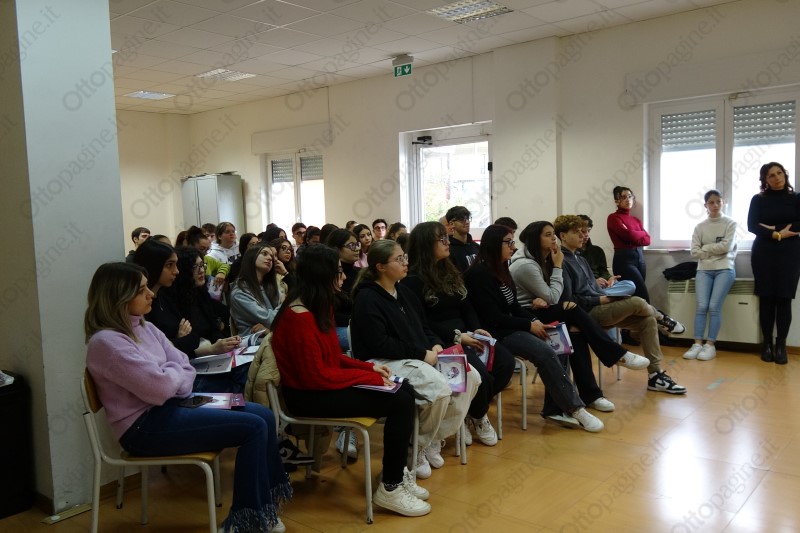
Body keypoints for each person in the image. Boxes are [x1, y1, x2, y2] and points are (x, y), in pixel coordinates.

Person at [85, 262, 291, 532]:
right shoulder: (106, 343)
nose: (151, 294)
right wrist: (171, 376)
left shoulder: (145, 327)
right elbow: (160, 387)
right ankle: (246, 520)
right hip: (143, 428)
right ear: (119, 296)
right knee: (253, 427)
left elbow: (183, 366)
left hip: (173, 405)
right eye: (142, 290)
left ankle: (263, 507)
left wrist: (167, 375)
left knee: (263, 414)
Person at [270, 244, 431, 517]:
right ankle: (391, 487)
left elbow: (333, 357)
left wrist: (370, 368)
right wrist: (367, 376)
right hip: (307, 397)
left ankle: (393, 475)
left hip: (321, 386)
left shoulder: (318, 307)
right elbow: (316, 377)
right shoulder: (299, 318)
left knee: (404, 390)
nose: (344, 277)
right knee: (399, 400)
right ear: (322, 275)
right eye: (338, 272)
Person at [351, 240, 480, 478]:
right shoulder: (367, 298)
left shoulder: (404, 292)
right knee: (439, 388)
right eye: (399, 259)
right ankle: (416, 445)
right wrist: (422, 354)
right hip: (382, 362)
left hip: (417, 356)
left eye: (405, 257)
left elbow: (424, 327)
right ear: (380, 266)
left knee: (470, 377)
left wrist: (435, 344)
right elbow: (381, 343)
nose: (405, 263)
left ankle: (433, 438)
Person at [464, 224, 604, 432]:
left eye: (513, 242)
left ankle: (554, 409)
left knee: (558, 343)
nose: (513, 247)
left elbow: (514, 307)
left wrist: (535, 321)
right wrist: (529, 325)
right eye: (508, 242)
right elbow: (493, 318)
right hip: (495, 333)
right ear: (493, 244)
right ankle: (576, 408)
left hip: (512, 325)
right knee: (545, 352)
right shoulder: (478, 274)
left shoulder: (502, 268)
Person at [509, 221, 649, 411]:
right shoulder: (527, 264)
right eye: (548, 235)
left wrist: (544, 295)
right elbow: (553, 296)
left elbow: (553, 294)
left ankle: (592, 394)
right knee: (572, 311)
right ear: (535, 239)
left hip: (546, 309)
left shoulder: (548, 257)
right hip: (528, 315)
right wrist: (557, 267)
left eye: (553, 234)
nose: (554, 239)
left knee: (576, 330)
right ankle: (614, 358)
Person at [403, 221, 515, 446]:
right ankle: (478, 415)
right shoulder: (412, 281)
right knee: (481, 376)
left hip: (466, 333)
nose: (448, 243)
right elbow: (423, 323)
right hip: (440, 338)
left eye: (447, 238)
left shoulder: (449, 270)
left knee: (506, 363)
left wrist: (474, 328)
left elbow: (467, 305)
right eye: (442, 239)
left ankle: (468, 409)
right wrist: (458, 336)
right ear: (426, 244)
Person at [554, 215, 688, 394]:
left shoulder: (581, 258)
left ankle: (655, 376)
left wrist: (607, 288)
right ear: (563, 236)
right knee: (638, 301)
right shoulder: (561, 261)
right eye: (576, 232)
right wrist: (600, 299)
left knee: (647, 320)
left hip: (601, 305)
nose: (582, 235)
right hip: (587, 314)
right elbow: (568, 301)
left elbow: (593, 289)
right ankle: (663, 318)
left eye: (583, 231)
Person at [172, 246, 251, 392]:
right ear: (183, 270)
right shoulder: (175, 302)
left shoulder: (201, 294)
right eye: (195, 267)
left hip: (213, 355)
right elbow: (186, 346)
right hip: (194, 363)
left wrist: (224, 343)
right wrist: (213, 348)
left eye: (202, 265)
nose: (202, 271)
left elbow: (213, 328)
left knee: (251, 367)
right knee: (239, 380)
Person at [747, 162, 800, 365]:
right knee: (767, 298)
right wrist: (778, 234)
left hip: (791, 253)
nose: (777, 178)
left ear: (785, 174)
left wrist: (772, 228)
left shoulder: (796, 198)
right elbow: (752, 225)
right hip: (764, 253)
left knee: (784, 299)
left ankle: (781, 346)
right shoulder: (758, 199)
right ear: (765, 180)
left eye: (779, 173)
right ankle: (767, 344)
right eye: (771, 175)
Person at [684, 190, 738, 361]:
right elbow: (694, 252)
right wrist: (715, 249)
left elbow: (727, 247)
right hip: (704, 270)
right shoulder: (700, 227)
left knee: (714, 306)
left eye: (718, 202)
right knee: (701, 306)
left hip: (725, 268)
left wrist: (705, 248)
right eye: (711, 202)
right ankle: (697, 344)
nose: (715, 205)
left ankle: (710, 345)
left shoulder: (731, 223)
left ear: (723, 202)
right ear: (705, 205)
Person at [607, 186, 651, 301]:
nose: (628, 199)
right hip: (624, 261)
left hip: (640, 259)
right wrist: (641, 233)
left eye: (630, 196)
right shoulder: (613, 218)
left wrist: (634, 235)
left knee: (638, 297)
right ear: (616, 201)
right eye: (623, 197)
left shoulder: (636, 220)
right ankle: (654, 313)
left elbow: (647, 240)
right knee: (643, 296)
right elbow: (628, 235)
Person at [230, 245, 282, 336]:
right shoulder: (239, 293)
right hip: (255, 340)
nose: (270, 258)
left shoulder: (270, 286)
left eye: (271, 256)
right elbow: (269, 320)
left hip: (274, 334)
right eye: (264, 254)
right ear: (252, 257)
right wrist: (285, 305)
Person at [577, 215, 613, 282]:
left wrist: (609, 279)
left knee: (629, 284)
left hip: (601, 283)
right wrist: (594, 282)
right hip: (586, 284)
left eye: (589, 231)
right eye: (583, 231)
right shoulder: (570, 252)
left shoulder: (597, 250)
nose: (587, 234)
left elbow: (604, 272)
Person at [446, 206, 480, 273]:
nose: (467, 222)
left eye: (467, 218)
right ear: (451, 224)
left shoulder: (476, 247)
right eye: (462, 219)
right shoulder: (448, 250)